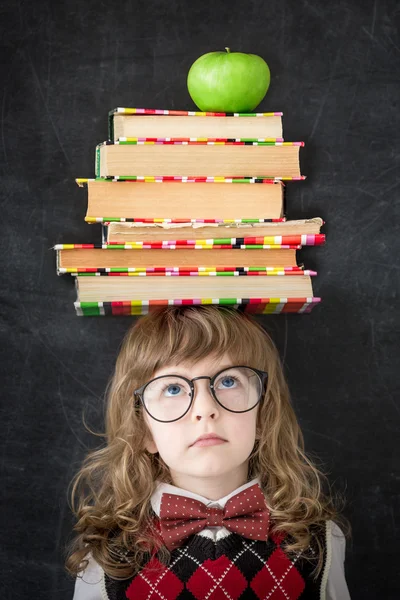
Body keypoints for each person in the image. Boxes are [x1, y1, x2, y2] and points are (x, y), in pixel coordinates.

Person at [65, 305, 351, 599]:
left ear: (264, 414)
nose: (205, 410)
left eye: (228, 381)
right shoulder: (106, 554)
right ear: (142, 430)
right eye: (173, 389)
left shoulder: (320, 542)